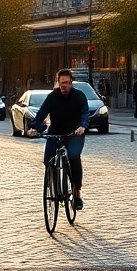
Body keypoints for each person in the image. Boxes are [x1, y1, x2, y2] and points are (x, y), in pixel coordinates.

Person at [25, 68, 90, 210]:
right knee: (48, 159)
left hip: (74, 134)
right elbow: (41, 114)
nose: (64, 86)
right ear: (58, 83)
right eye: (62, 83)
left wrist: (82, 127)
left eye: (67, 83)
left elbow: (85, 113)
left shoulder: (79, 96)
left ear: (71, 83)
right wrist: (34, 128)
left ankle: (77, 193)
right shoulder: (52, 97)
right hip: (55, 134)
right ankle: (54, 185)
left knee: (74, 156)